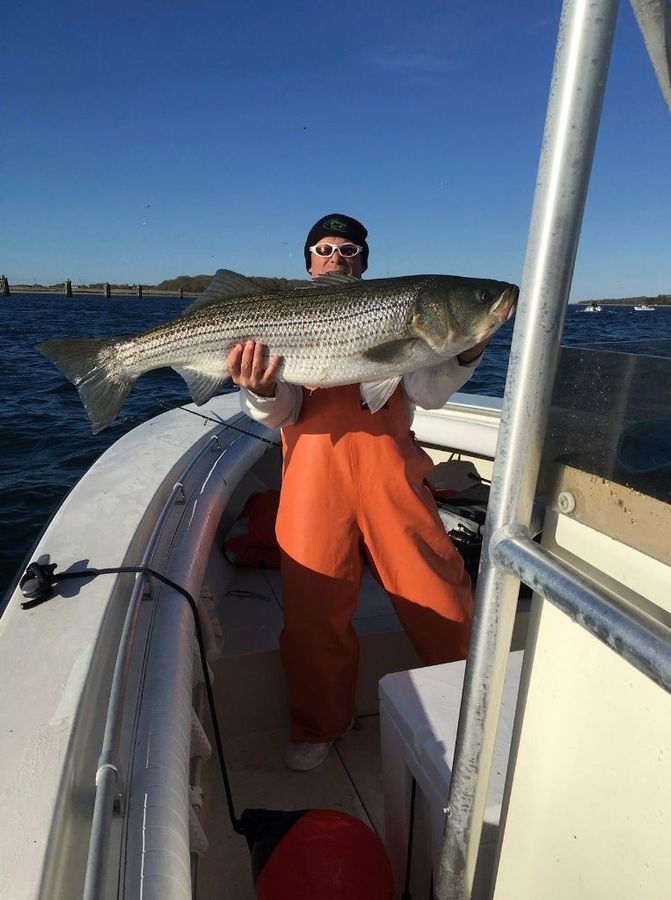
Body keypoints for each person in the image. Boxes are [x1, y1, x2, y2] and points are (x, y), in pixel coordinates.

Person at [226, 214, 489, 771]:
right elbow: (280, 413)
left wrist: (464, 354)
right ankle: (320, 723)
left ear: (364, 264)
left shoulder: (394, 315)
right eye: (324, 248)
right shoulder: (283, 317)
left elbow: (426, 391)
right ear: (308, 262)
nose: (336, 256)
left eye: (349, 250)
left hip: (392, 474)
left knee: (440, 593)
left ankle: (473, 709)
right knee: (312, 612)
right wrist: (263, 388)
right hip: (311, 481)